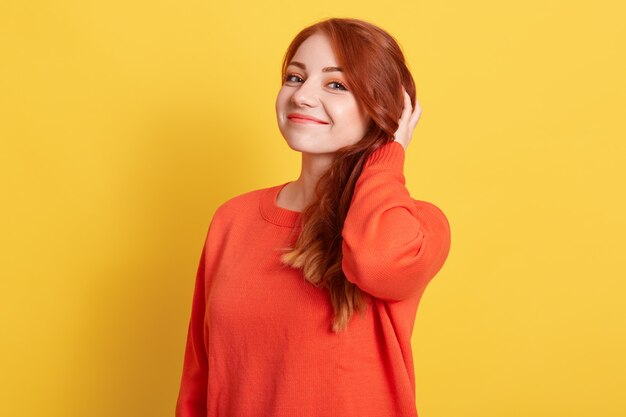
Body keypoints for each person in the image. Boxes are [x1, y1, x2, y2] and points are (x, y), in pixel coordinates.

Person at [175, 17, 451, 417]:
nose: (301, 96)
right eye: (293, 77)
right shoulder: (232, 220)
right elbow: (198, 378)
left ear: (383, 107)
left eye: (336, 84)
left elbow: (376, 261)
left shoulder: (416, 227)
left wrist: (390, 152)